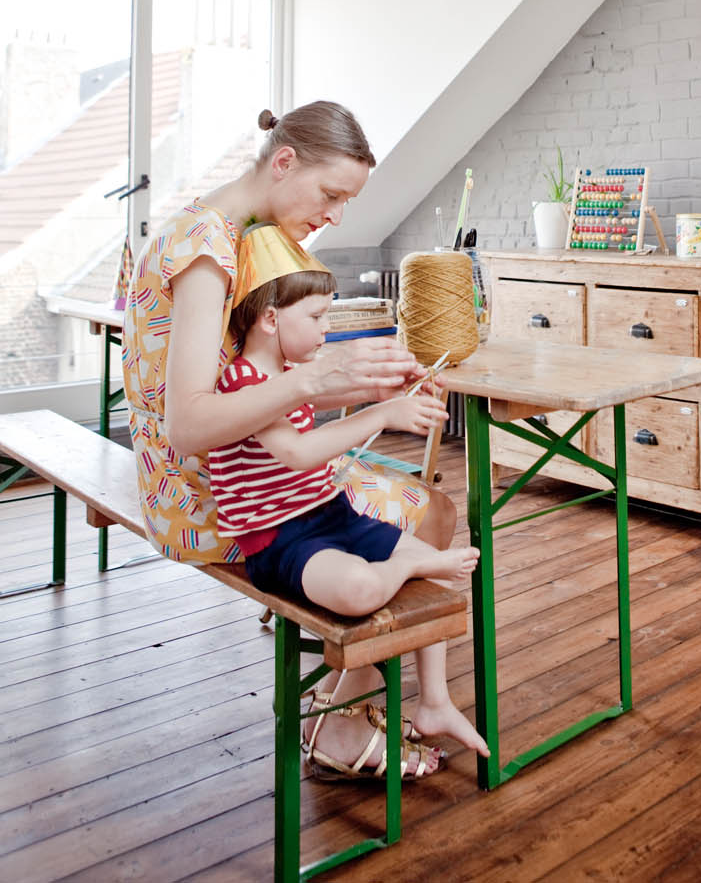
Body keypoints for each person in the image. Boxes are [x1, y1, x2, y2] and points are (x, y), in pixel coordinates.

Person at [122, 101, 471, 777]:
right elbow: (192, 427)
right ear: (284, 162)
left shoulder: (225, 228)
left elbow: (249, 389)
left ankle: (356, 703)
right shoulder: (208, 251)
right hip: (205, 497)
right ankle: (342, 723)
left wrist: (366, 386)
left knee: (423, 510)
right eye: (330, 193)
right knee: (431, 512)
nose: (334, 214)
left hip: (232, 468)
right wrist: (326, 385)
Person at [208, 224, 486, 776]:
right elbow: (296, 453)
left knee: (426, 579)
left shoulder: (287, 370)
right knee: (363, 588)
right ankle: (407, 566)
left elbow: (328, 409)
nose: (325, 329)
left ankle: (435, 701)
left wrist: (390, 390)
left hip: (330, 514)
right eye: (315, 317)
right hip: (280, 542)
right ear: (268, 318)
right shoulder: (242, 382)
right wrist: (381, 413)